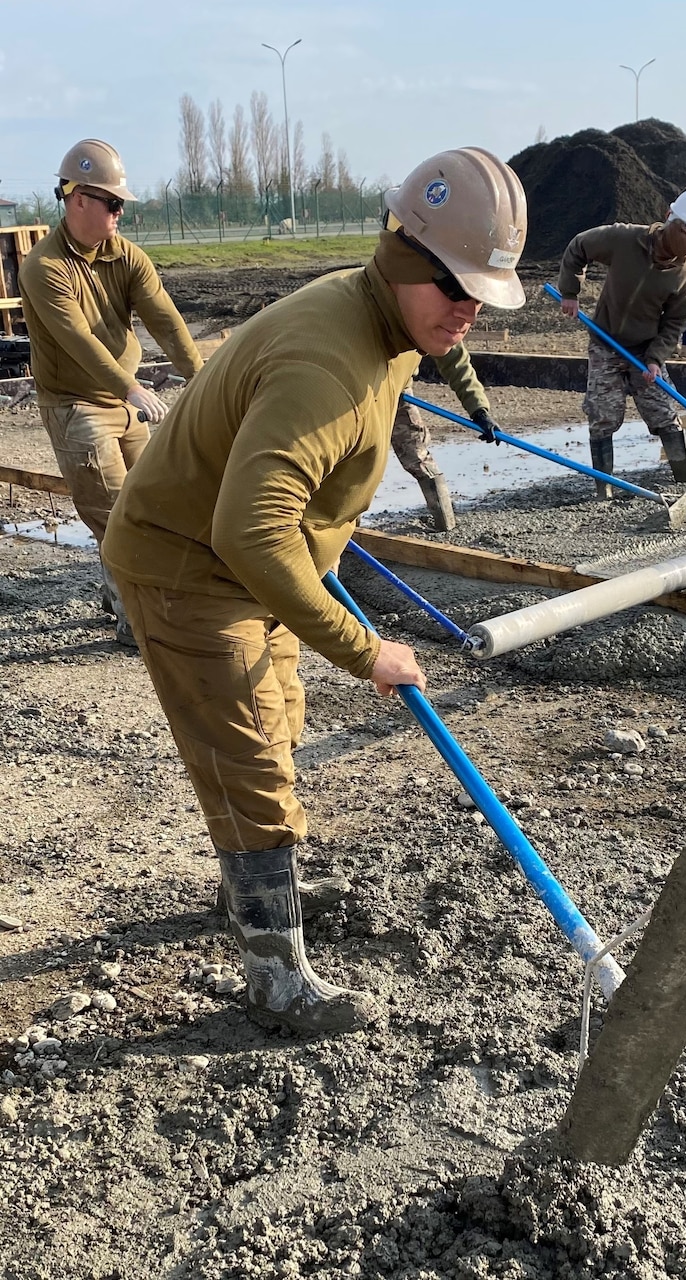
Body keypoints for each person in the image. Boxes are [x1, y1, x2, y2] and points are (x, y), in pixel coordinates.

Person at [101, 147, 527, 1037]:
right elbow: (247, 531)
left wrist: (477, 395)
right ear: (403, 254)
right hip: (192, 565)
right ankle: (276, 977)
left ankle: (262, 886)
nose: (468, 311)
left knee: (282, 720)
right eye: (457, 287)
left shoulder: (401, 318)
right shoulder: (325, 370)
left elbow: (441, 347)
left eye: (484, 295)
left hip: (260, 558)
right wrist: (368, 649)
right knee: (251, 755)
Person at [18, 139, 204, 646]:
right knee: (120, 517)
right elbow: (77, 342)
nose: (121, 213)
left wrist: (204, 378)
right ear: (79, 199)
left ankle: (117, 593)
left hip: (125, 403)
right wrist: (130, 388)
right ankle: (135, 622)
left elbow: (165, 319)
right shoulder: (44, 268)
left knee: (148, 505)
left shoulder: (126, 256)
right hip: (77, 407)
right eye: (113, 204)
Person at [556, 187, 686, 495]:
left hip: (645, 350)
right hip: (606, 342)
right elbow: (579, 247)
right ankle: (603, 491)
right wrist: (570, 292)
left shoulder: (685, 276)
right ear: (671, 220)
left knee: (664, 413)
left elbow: (675, 324)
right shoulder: (624, 239)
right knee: (603, 415)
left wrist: (656, 358)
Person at [391, 340, 500, 533]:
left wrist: (479, 411)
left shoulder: (433, 316)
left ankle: (445, 523)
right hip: (352, 387)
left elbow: (454, 359)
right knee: (351, 459)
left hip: (398, 389)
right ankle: (344, 534)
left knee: (417, 456)